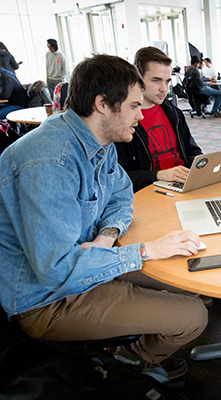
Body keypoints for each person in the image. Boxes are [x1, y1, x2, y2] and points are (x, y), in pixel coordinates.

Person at [0, 54, 208, 380]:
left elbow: (122, 195)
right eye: (134, 106)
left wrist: (106, 236)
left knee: (192, 280)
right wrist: (146, 252)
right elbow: (58, 271)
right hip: (48, 300)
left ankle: (121, 344)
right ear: (103, 104)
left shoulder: (99, 138)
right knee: (194, 315)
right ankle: (125, 367)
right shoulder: (50, 162)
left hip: (86, 265)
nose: (141, 116)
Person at [115, 46, 203, 193]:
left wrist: (202, 167)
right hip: (152, 190)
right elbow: (121, 178)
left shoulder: (174, 113)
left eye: (167, 81)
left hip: (182, 184)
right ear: (138, 78)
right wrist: (159, 175)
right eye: (156, 81)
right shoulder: (122, 122)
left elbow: (192, 150)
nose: (164, 89)